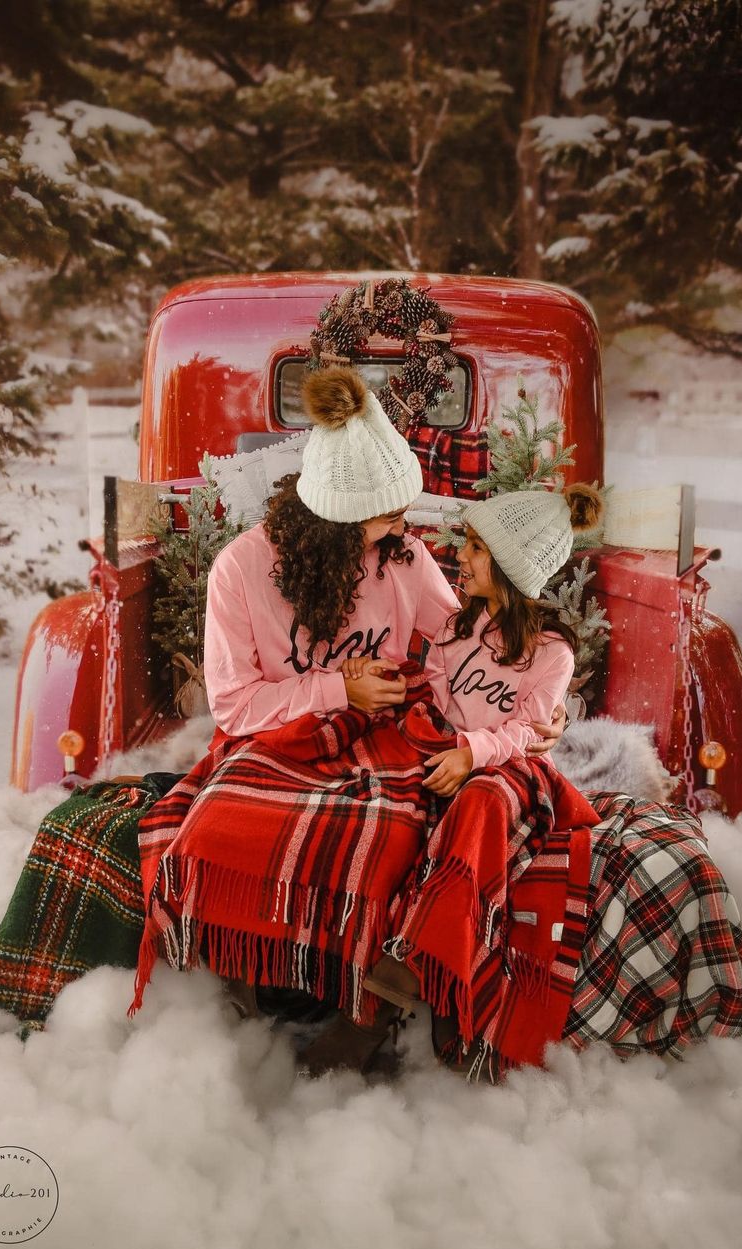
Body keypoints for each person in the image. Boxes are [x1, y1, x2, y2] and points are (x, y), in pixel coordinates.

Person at [131, 367, 566, 1071]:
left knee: (388, 833)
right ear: (336, 522)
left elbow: (466, 640)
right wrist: (338, 689)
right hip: (279, 737)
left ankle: (365, 1009)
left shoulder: (400, 557)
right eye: (389, 512)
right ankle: (246, 986)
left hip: (386, 734)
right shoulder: (240, 571)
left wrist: (539, 706)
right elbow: (236, 706)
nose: (405, 524)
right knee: (219, 827)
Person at [341, 483, 607, 1079]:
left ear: (512, 566)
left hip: (511, 774)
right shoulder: (458, 629)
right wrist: (374, 682)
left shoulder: (550, 653)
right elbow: (432, 691)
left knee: (483, 797)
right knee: (386, 794)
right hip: (448, 755)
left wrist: (471, 753)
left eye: (478, 548)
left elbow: (528, 733)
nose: (462, 555)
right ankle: (398, 965)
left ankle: (407, 974)